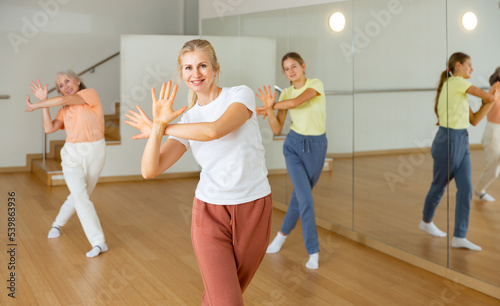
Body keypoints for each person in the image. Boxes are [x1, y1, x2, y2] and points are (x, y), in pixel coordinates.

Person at [124, 39, 272, 306]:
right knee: (228, 301)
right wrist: (157, 127)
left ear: (215, 69)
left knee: (221, 296)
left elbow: (214, 130)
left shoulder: (240, 95)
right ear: (182, 74)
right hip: (209, 212)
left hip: (254, 208)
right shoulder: (188, 120)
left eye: (202, 65)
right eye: (189, 68)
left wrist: (162, 128)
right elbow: (150, 170)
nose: (196, 74)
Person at [420, 52, 500, 251]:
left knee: (465, 189)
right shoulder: (456, 82)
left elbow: (474, 120)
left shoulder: (459, 91)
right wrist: (493, 94)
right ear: (458, 66)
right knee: (439, 186)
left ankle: (459, 236)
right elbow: (488, 96)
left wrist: (490, 101)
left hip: (462, 140)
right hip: (448, 140)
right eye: (469, 65)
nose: (472, 69)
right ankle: (426, 221)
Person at [25, 70, 108, 258]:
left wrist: (36, 104)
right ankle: (98, 242)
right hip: (71, 154)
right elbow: (49, 128)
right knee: (80, 196)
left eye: (67, 81)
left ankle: (57, 224)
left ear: (78, 82)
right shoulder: (65, 109)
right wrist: (44, 106)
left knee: (80, 195)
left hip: (95, 151)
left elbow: (63, 100)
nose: (65, 86)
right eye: (60, 85)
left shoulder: (89, 95)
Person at [256, 52, 327, 269]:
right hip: (294, 147)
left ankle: (281, 236)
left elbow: (296, 102)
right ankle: (313, 251)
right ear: (284, 73)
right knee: (305, 200)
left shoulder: (315, 85)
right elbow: (277, 129)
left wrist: (270, 106)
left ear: (303, 66)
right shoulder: (285, 92)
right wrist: (270, 111)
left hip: (316, 148)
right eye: (286, 69)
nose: (291, 71)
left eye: (294, 66)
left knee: (299, 197)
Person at [474, 67, 500, 201]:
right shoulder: (495, 89)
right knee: (493, 171)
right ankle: (478, 190)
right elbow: (488, 101)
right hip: (494, 132)